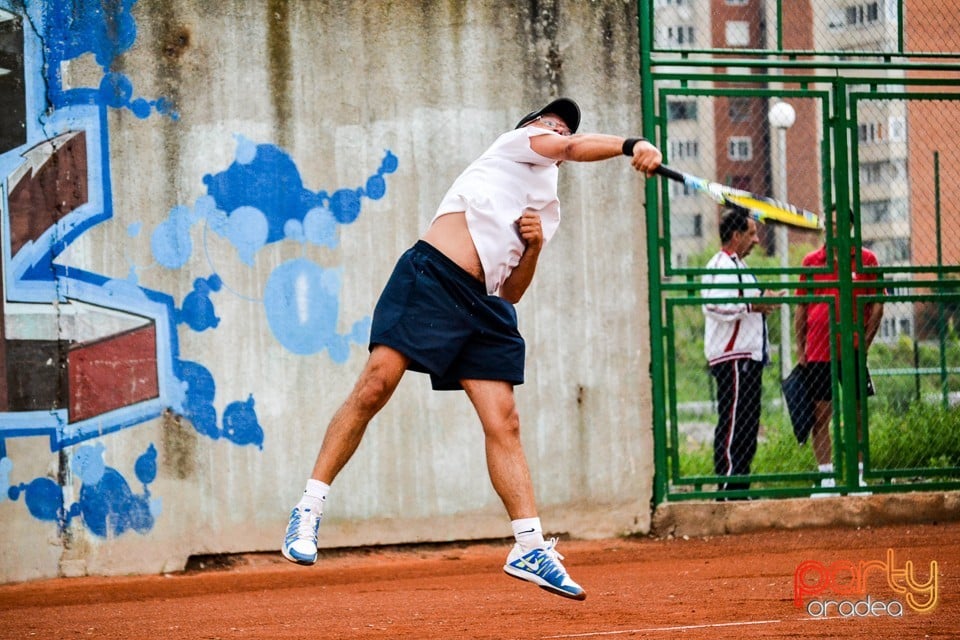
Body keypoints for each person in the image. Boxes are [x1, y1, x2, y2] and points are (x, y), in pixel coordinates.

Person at [280, 98, 662, 601]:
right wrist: (632, 145)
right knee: (375, 386)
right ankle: (307, 510)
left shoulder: (547, 205)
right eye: (550, 121)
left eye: (564, 125)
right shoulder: (515, 145)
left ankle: (528, 545)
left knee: (504, 420)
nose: (558, 129)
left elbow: (514, 291)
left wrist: (534, 248)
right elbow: (570, 147)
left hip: (483, 305)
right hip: (432, 275)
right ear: (531, 128)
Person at [794, 206, 883, 493]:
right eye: (828, 224)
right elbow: (801, 307)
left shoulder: (867, 260)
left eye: (838, 224)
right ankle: (826, 478)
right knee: (820, 416)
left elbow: (878, 304)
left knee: (856, 413)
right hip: (819, 352)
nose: (832, 229)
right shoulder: (811, 261)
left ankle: (858, 476)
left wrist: (865, 343)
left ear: (850, 227)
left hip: (853, 350)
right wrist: (800, 348)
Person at [701, 206, 782, 497]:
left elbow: (744, 302)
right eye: (752, 233)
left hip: (749, 356)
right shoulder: (721, 264)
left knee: (748, 426)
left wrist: (763, 300)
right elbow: (713, 304)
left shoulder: (739, 266)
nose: (757, 240)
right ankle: (727, 488)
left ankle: (740, 487)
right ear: (736, 235)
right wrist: (752, 305)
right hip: (732, 357)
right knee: (733, 422)